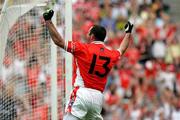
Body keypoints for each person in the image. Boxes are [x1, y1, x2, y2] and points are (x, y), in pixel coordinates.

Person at [43, 9, 133, 120]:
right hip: (97, 98)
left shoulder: (83, 48)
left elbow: (59, 42)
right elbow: (122, 49)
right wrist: (128, 33)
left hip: (82, 93)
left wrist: (48, 21)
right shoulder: (111, 54)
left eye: (88, 32)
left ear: (92, 36)